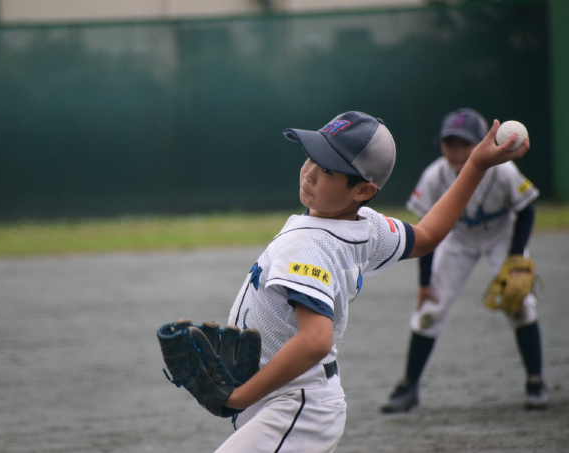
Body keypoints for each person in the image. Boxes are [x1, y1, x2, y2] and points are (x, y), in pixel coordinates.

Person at [212, 110, 529, 452]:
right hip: (288, 396)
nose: (309, 173)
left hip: (293, 402)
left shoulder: (309, 246)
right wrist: (476, 166)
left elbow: (317, 340)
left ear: (363, 189)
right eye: (312, 157)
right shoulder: (366, 226)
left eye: (328, 169)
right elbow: (426, 235)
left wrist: (237, 398)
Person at [380, 108, 548, 415]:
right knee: (430, 309)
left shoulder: (503, 170)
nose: (457, 152)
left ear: (484, 143)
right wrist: (424, 283)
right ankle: (409, 387)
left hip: (502, 234)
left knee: (520, 303)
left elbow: (526, 209)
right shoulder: (435, 176)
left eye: (465, 144)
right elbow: (424, 230)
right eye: (450, 144)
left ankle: (536, 381)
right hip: (457, 238)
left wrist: (516, 257)